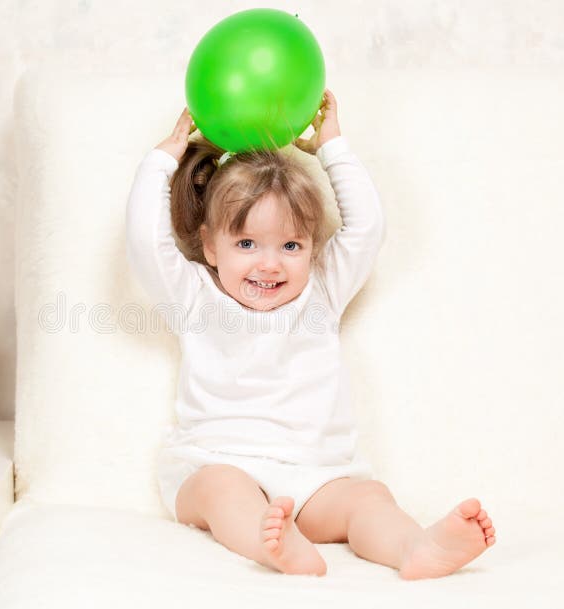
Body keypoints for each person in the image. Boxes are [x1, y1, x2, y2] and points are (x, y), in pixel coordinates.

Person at [125, 89, 496, 579]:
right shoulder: (193, 298)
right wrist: (161, 160)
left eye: (291, 244)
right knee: (223, 492)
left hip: (315, 476)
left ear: (313, 249)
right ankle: (272, 546)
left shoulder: (321, 292)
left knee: (368, 499)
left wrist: (332, 147)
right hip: (214, 460)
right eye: (247, 243)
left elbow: (367, 229)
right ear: (210, 246)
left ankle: (415, 548)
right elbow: (143, 241)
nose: (269, 264)